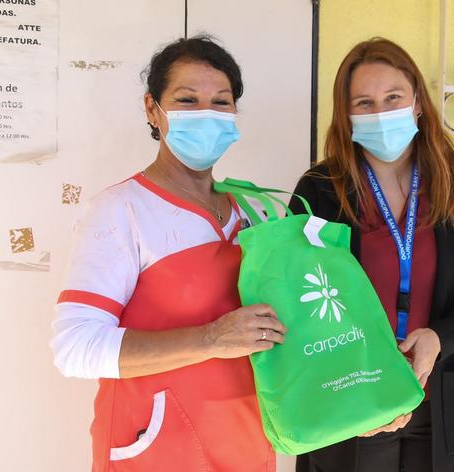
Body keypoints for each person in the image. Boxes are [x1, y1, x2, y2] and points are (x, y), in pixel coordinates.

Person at [50, 35, 286, 471]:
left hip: (247, 443)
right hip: (155, 447)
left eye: (221, 102)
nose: (206, 114)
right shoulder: (120, 211)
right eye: (187, 100)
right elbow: (75, 347)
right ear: (152, 109)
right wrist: (211, 339)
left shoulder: (257, 212)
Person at [289, 37, 454, 472]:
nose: (381, 112)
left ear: (417, 103)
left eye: (393, 97)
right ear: (347, 115)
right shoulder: (320, 189)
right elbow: (299, 300)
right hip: (354, 398)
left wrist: (439, 338)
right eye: (365, 103)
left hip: (445, 399)